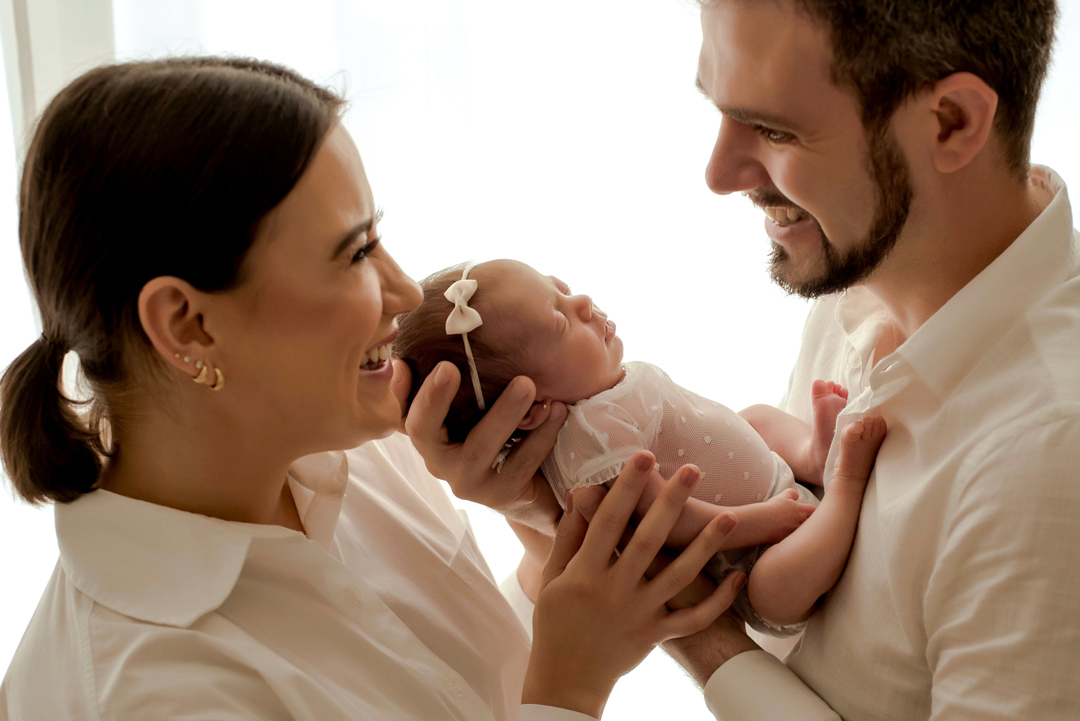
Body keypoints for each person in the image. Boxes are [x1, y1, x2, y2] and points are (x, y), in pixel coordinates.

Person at [0, 57, 749, 720]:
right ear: (189, 324)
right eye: (356, 252)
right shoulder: (144, 692)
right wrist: (569, 689)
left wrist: (535, 528)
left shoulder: (357, 454)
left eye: (379, 237)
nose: (401, 289)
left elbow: (462, 689)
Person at [402, 0, 1080, 718]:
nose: (719, 173)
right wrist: (543, 514)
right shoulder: (858, 281)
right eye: (719, 109)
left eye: (774, 128)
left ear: (952, 123)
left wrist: (691, 617)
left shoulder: (1043, 464)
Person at [394, 258, 887, 634]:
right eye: (561, 323)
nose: (583, 302)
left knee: (754, 418)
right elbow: (666, 520)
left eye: (560, 291)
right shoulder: (591, 442)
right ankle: (844, 488)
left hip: (770, 484)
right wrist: (765, 520)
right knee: (773, 591)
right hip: (755, 548)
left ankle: (809, 456)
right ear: (525, 410)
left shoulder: (608, 389)